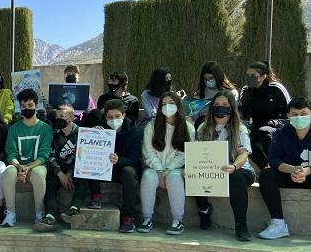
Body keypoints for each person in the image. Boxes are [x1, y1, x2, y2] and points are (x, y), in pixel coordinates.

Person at [195, 91, 254, 241]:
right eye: (216, 105)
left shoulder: (239, 128)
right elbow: (197, 153)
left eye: (225, 105)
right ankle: (204, 211)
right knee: (194, 173)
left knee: (237, 177)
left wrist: (234, 166)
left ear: (232, 108)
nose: (220, 108)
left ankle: (241, 225)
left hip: (239, 169)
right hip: (212, 170)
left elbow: (243, 154)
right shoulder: (203, 128)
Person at [139, 92, 195, 235]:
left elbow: (185, 153)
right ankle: (147, 218)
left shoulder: (188, 128)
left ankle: (178, 220)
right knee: (148, 177)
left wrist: (168, 170)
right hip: (154, 167)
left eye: (171, 103)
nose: (167, 107)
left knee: (174, 178)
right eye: (163, 104)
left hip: (176, 168)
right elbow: (148, 152)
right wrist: (159, 170)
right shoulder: (151, 126)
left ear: (178, 105)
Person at [257, 97, 311, 239]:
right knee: (266, 174)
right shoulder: (281, 133)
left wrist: (307, 170)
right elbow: (274, 159)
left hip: (309, 174)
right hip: (289, 174)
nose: (299, 117)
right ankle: (278, 223)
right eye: (295, 114)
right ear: (288, 116)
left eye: (304, 113)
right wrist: (292, 169)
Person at [0, 89, 53, 227]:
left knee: (38, 174)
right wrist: (19, 167)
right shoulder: (13, 129)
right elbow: (11, 153)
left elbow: (44, 155)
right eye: (23, 106)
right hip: (19, 166)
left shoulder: (45, 128)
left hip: (36, 165)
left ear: (36, 105)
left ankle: (39, 214)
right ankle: (10, 213)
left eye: (30, 105)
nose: (27, 109)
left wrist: (28, 167)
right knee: (8, 172)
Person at [88, 99, 142, 232]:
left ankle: (129, 217)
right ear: (105, 118)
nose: (114, 120)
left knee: (128, 172)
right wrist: (93, 135)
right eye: (110, 117)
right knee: (91, 160)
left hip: (124, 168)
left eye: (117, 116)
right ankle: (95, 196)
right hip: (105, 170)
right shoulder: (101, 129)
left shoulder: (134, 132)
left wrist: (119, 160)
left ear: (123, 115)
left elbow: (134, 158)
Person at [34, 104, 90, 232]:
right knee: (50, 181)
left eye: (62, 116)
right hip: (57, 170)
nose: (58, 119)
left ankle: (74, 210)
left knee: (83, 176)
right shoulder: (54, 134)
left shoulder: (82, 134)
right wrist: (60, 174)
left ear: (71, 118)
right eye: (57, 116)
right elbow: (50, 155)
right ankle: (50, 216)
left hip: (75, 169)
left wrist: (69, 173)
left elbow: (83, 157)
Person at [239, 61, 291, 170]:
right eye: (247, 75)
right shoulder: (246, 90)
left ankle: (274, 163)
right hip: (255, 125)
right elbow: (242, 112)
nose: (249, 78)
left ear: (263, 76)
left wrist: (277, 122)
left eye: (254, 76)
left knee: (265, 133)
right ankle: (264, 165)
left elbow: (290, 111)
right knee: (243, 140)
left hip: (276, 123)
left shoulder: (276, 88)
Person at [188, 61, 238, 127]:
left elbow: (234, 113)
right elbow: (194, 116)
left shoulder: (231, 92)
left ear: (218, 76)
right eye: (205, 79)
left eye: (210, 78)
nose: (208, 81)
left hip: (225, 124)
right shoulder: (200, 93)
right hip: (203, 125)